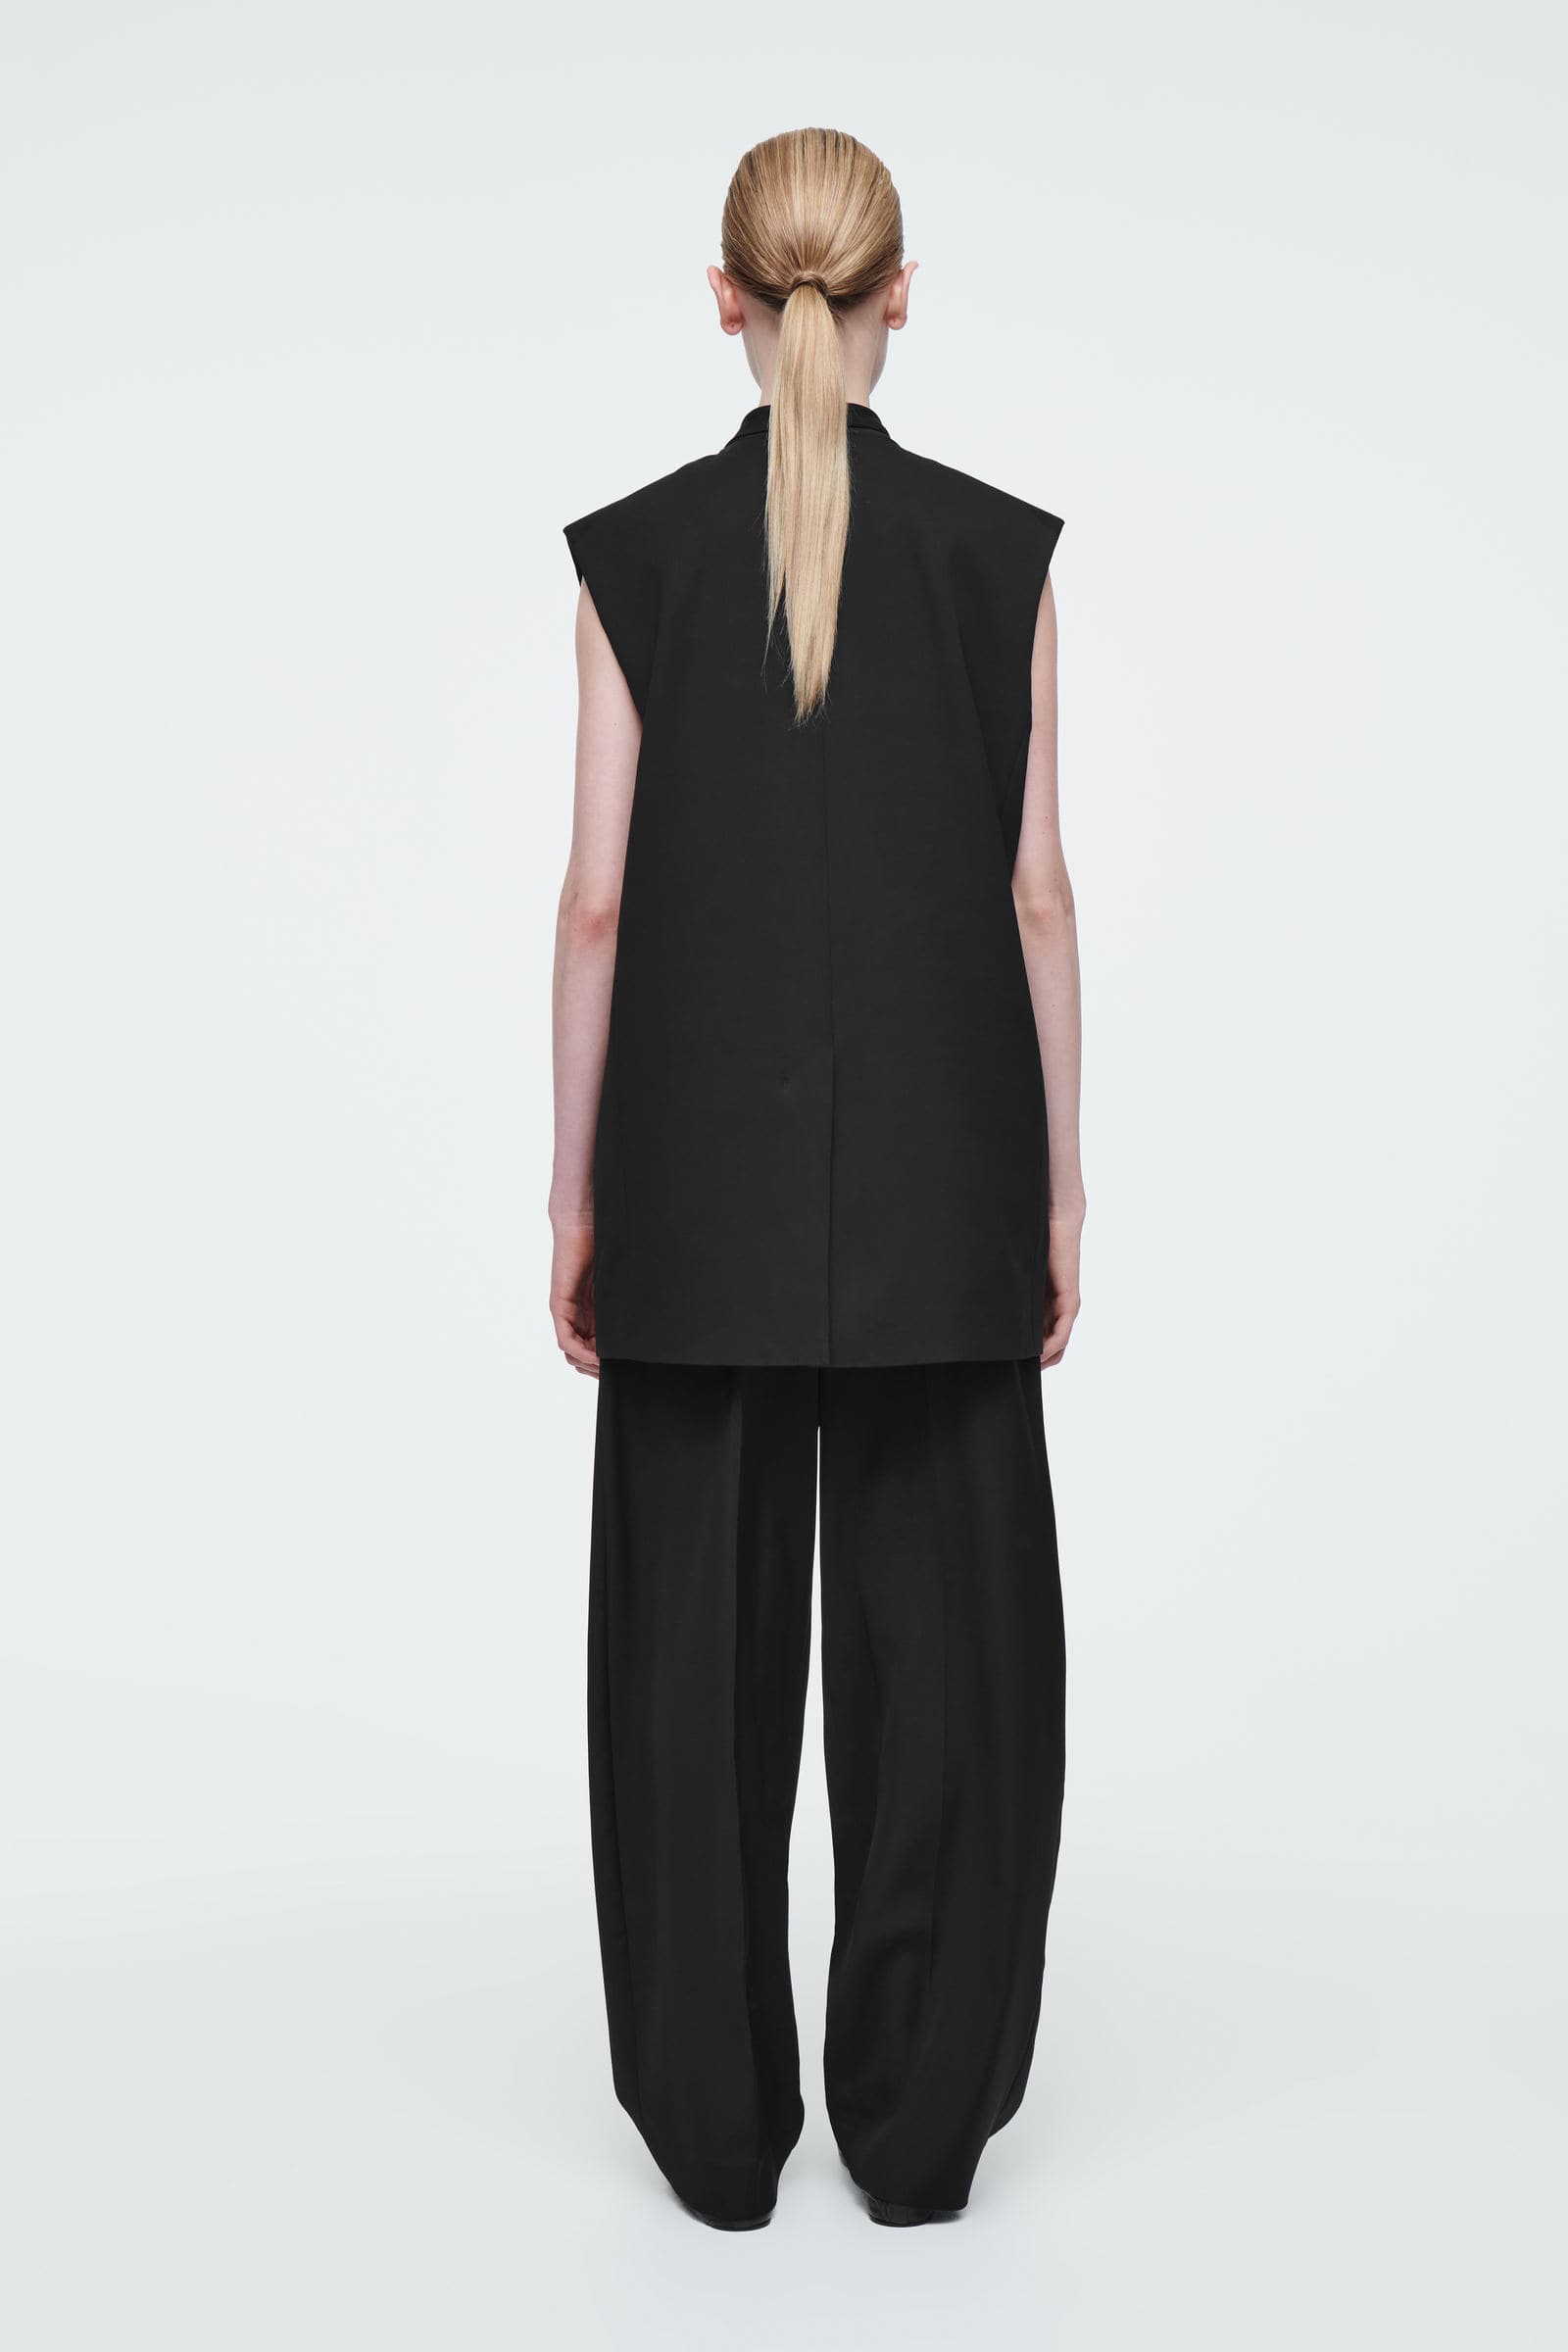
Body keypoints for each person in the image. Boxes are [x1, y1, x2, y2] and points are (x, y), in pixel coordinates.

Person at [550, 126, 1083, 2230]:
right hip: (950, 1178)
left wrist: (575, 1198)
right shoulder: (995, 557)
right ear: (897, 296)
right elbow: (1036, 896)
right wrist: (1058, 1195)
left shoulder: (634, 561)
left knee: (688, 1657)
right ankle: (920, 2134)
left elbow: (595, 904)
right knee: (945, 1654)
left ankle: (713, 2137)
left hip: (692, 1171)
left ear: (722, 298)